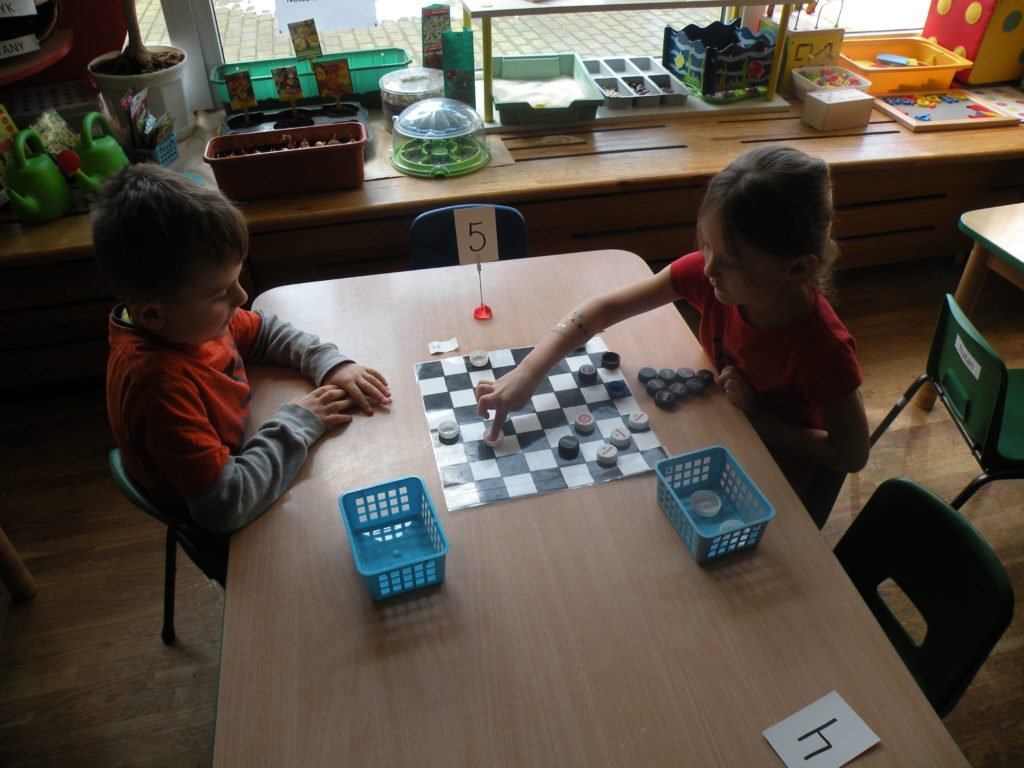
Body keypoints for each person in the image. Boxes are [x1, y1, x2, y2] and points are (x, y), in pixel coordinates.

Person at [475, 145, 870, 515]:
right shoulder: (715, 278)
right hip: (717, 430)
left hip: (769, 481)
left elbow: (852, 455)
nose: (708, 268)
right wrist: (528, 372)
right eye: (707, 246)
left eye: (731, 261)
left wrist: (755, 416)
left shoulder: (824, 352)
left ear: (797, 269)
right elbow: (601, 310)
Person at [93, 164, 390, 535]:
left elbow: (264, 331)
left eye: (235, 281)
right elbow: (225, 505)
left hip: (247, 451)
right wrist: (298, 422)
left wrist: (329, 363)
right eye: (221, 293)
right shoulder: (158, 386)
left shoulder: (187, 324)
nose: (242, 296)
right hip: (232, 526)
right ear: (152, 315)